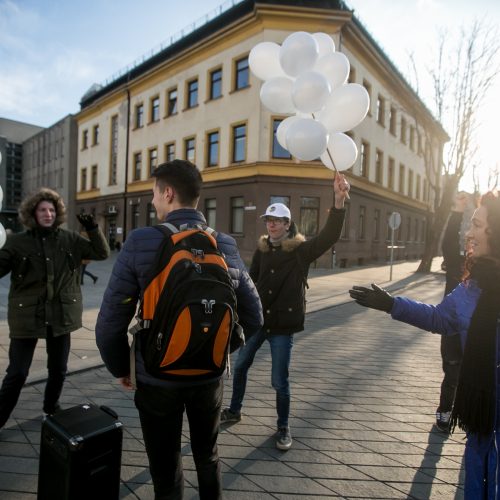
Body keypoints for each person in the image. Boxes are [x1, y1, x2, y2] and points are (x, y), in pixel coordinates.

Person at [95, 160, 263, 500]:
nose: (153, 201)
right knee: (207, 456)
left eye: (154, 193)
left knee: (166, 466)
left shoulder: (141, 241)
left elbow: (109, 324)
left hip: (157, 377)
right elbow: (254, 315)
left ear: (168, 193)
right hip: (209, 376)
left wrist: (122, 368)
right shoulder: (225, 244)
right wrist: (212, 347)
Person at [349, 191, 500, 498]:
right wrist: (392, 304)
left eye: (477, 224)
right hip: (482, 416)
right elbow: (438, 318)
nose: (470, 233)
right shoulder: (471, 287)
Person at [220, 173, 350, 451]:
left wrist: (338, 202)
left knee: (279, 380)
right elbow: (250, 283)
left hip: (283, 325)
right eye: (269, 221)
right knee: (240, 366)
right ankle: (234, 409)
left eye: (277, 221)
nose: (272, 225)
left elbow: (328, 236)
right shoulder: (262, 249)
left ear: (288, 224)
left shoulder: (301, 250)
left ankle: (283, 427)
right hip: (258, 323)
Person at [0, 188, 109, 429]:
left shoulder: (69, 238)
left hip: (60, 315)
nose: (48, 213)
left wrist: (92, 229)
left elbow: (102, 253)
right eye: (42, 209)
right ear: (32, 213)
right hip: (27, 316)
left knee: (58, 369)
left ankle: (51, 407)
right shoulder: (17, 242)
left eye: (51, 209)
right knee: (17, 373)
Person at [435, 192, 468, 432]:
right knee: (453, 375)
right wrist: (457, 211)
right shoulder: (458, 266)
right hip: (454, 332)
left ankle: (469, 415)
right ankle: (445, 411)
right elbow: (448, 243)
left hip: (479, 336)